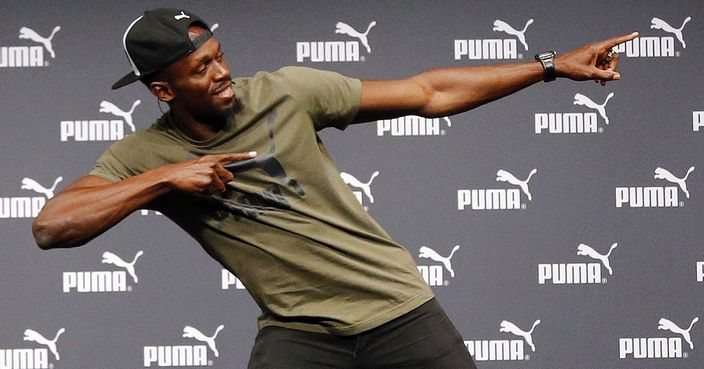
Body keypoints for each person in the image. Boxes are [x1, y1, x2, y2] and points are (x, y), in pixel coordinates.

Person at [32, 8, 637, 369]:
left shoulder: (286, 91)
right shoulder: (145, 155)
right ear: (164, 90)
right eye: (200, 69)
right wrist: (164, 178)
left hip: (399, 312)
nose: (221, 74)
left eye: (219, 56)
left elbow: (429, 93)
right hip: (299, 334)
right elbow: (52, 227)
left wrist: (551, 65)